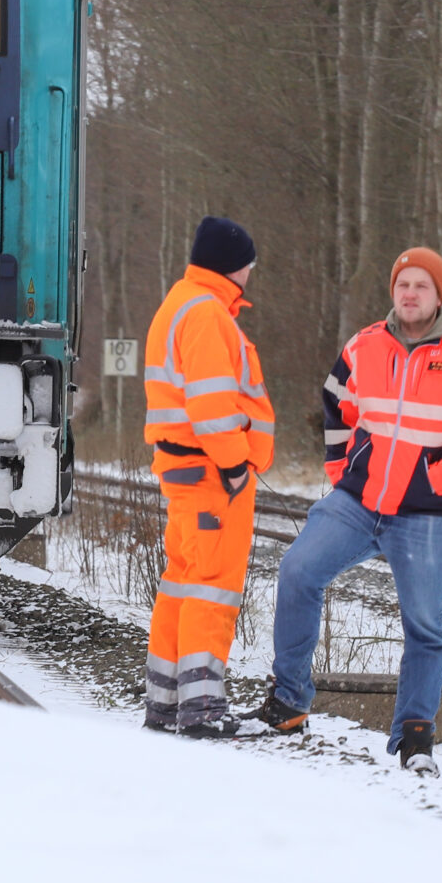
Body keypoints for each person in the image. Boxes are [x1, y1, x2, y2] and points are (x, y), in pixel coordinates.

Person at [248, 247, 442, 774]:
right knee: (299, 571)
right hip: (358, 502)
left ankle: (416, 738)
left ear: (439, 296)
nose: (409, 293)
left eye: (421, 286)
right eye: (403, 284)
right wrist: (345, 471)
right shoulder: (364, 345)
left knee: (424, 624)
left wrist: (439, 482)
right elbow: (336, 407)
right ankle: (289, 702)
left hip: (427, 515)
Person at [140, 216, 276, 736]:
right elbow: (213, 406)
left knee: (180, 581)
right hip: (212, 474)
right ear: (233, 265)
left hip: (184, 469)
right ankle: (202, 710)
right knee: (211, 586)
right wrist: (236, 464)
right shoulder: (207, 313)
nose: (250, 276)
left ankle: (166, 703)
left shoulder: (181, 302)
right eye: (249, 266)